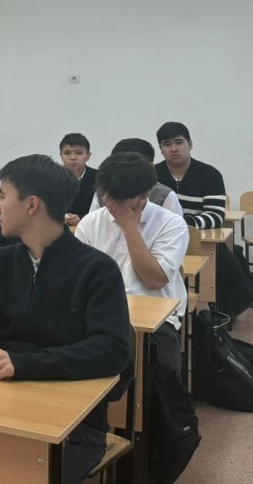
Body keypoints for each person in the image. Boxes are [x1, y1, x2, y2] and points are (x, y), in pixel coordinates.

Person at [0, 155, 131, 484]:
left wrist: (24, 364)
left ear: (31, 205)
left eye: (4, 196)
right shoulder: (1, 261)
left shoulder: (97, 269)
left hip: (73, 423)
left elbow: (111, 350)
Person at [76, 152, 188, 375]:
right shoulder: (90, 223)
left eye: (119, 200)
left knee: (161, 373)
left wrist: (130, 228)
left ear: (143, 196)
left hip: (156, 319)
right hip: (101, 313)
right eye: (108, 196)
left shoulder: (171, 224)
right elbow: (78, 280)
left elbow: (154, 280)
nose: (110, 204)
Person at [155, 121, 227, 229]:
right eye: (167, 144)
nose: (173, 149)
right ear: (161, 149)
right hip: (161, 235)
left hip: (199, 236)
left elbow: (216, 216)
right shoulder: (151, 175)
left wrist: (181, 224)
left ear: (190, 144)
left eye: (179, 142)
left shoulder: (210, 175)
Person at [89, 138, 183, 217]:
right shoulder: (102, 194)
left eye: (134, 168)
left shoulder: (164, 195)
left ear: (150, 167)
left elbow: (176, 228)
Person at [60, 133, 97, 226]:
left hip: (89, 228)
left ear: (88, 156)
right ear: (61, 155)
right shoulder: (51, 177)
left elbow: (103, 210)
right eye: (67, 153)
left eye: (79, 153)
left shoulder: (99, 177)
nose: (73, 158)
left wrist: (81, 218)